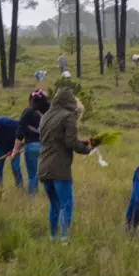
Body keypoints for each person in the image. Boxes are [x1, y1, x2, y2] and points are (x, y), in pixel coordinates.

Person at [34, 88, 93, 244]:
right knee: (66, 205)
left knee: (54, 205)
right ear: (70, 103)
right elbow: (70, 143)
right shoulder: (68, 117)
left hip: (43, 166)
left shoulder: (46, 116)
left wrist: (82, 143)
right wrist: (87, 149)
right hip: (59, 167)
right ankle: (65, 241)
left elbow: (56, 139)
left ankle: (53, 238)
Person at [10, 90, 50, 197]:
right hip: (47, 147)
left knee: (32, 176)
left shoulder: (27, 112)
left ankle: (32, 199)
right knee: (47, 175)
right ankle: (50, 197)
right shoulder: (50, 112)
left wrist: (15, 151)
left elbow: (20, 134)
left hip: (31, 147)